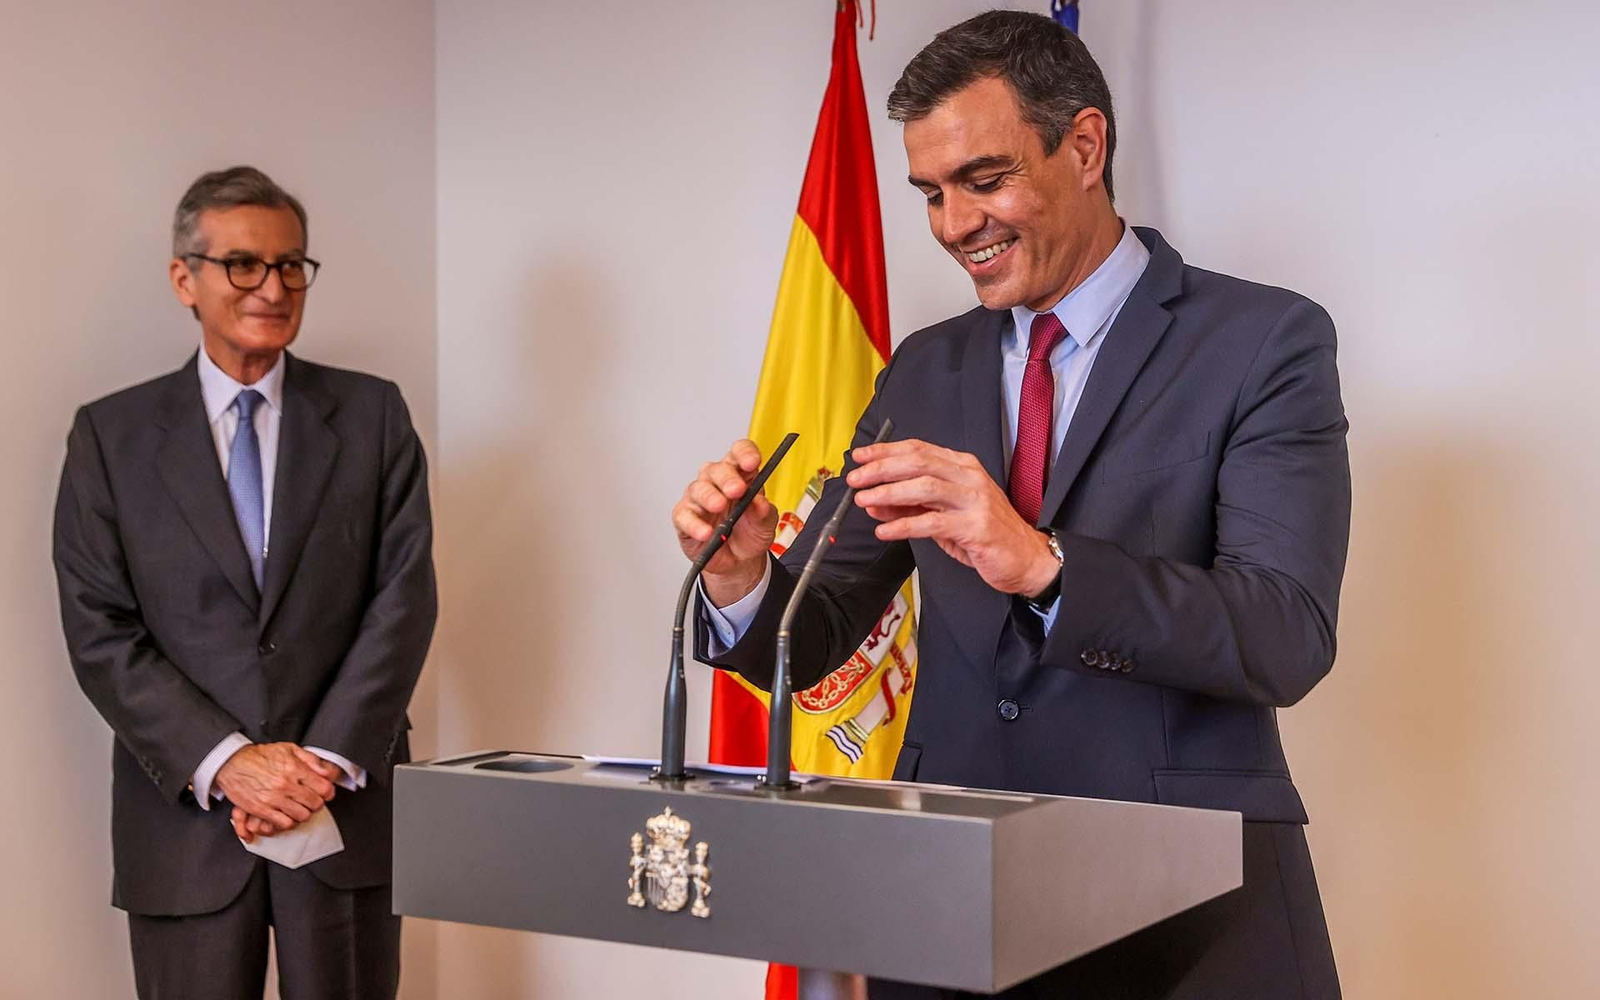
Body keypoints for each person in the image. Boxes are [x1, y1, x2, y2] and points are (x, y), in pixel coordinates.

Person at [672, 12, 1348, 998]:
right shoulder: (922, 367)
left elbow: (1284, 634)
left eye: (983, 181)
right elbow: (813, 629)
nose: (952, 225)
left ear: (1082, 145)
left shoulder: (1261, 340)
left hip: (1187, 910)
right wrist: (737, 576)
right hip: (947, 900)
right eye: (932, 194)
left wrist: (1043, 564)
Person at [53, 165, 436, 1000]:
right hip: (186, 829)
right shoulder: (110, 438)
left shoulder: (373, 418)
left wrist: (318, 765)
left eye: (292, 264)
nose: (273, 286)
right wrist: (229, 763)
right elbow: (100, 631)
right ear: (184, 278)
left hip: (344, 818)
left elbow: (402, 602)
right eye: (244, 264)